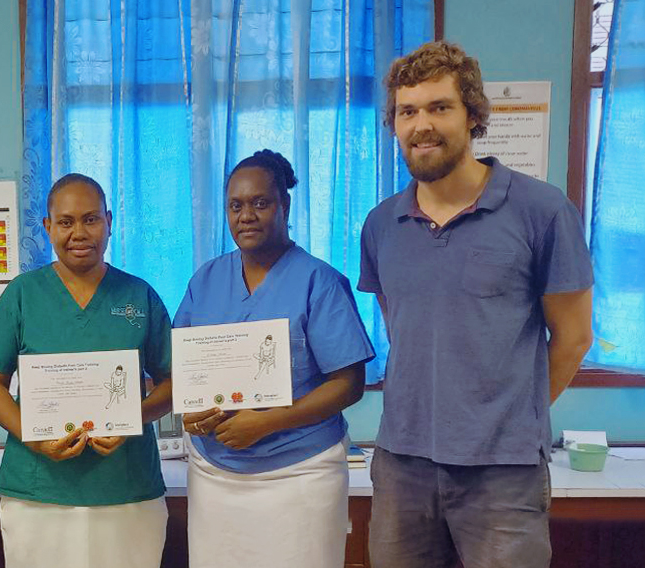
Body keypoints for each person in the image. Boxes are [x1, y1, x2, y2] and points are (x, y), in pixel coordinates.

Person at [358, 41, 594, 568]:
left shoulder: (543, 210)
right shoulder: (380, 225)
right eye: (407, 111)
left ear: (472, 115)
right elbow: (403, 328)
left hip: (504, 474)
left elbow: (574, 338)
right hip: (402, 467)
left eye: (440, 107)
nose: (422, 124)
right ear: (394, 124)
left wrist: (510, 416)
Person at [175, 149, 375, 568]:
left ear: (283, 205)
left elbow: (349, 383)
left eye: (260, 203)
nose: (246, 215)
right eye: (236, 205)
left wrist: (269, 421)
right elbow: (186, 367)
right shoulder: (206, 280)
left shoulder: (318, 281)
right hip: (215, 474)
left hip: (300, 472)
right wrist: (190, 415)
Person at [0, 174, 173, 568]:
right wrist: (32, 437)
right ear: (48, 227)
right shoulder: (23, 294)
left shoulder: (139, 295)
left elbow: (173, 381)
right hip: (38, 489)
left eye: (91, 219)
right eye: (65, 222)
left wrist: (132, 417)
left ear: (110, 222)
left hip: (125, 487)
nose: (78, 233)